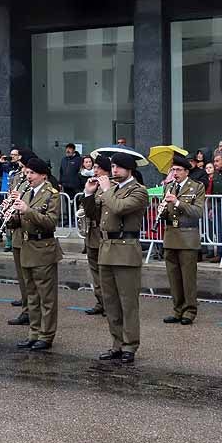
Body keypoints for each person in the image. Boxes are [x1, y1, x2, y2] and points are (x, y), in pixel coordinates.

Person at [4, 157, 62, 351]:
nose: (28, 177)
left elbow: (50, 222)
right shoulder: (26, 192)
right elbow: (20, 222)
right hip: (27, 247)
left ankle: (46, 335)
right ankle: (33, 332)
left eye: (32, 173)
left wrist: (27, 210)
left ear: (43, 175)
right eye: (26, 173)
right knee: (31, 295)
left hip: (43, 247)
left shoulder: (51, 194)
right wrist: (11, 217)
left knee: (46, 296)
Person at [95, 152, 148, 364]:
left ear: (129, 169)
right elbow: (94, 213)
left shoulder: (139, 191)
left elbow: (119, 208)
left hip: (126, 249)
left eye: (118, 167)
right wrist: (91, 194)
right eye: (113, 167)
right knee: (111, 302)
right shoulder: (112, 189)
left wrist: (107, 190)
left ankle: (130, 345)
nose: (113, 171)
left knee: (128, 302)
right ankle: (116, 343)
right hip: (107, 248)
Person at [159, 155, 205, 325]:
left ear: (187, 171)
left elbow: (197, 212)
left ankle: (190, 310)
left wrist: (177, 202)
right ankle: (177, 309)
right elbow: (166, 214)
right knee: (174, 276)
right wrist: (162, 209)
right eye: (173, 170)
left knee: (188, 277)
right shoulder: (169, 187)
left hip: (187, 235)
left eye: (178, 170)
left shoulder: (197, 187)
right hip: (171, 234)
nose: (175, 173)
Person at [6, 148, 36, 326]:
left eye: (27, 169)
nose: (24, 172)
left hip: (30, 236)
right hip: (17, 232)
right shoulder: (22, 183)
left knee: (31, 280)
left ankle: (31, 312)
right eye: (24, 168)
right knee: (22, 277)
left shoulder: (40, 187)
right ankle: (26, 309)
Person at [79, 155, 113, 316]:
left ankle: (109, 303)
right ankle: (100, 301)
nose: (95, 170)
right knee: (95, 271)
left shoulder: (110, 186)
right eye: (95, 167)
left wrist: (90, 197)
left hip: (102, 232)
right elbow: (87, 208)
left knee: (105, 272)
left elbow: (99, 210)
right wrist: (87, 194)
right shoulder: (94, 184)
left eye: (98, 167)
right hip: (91, 232)